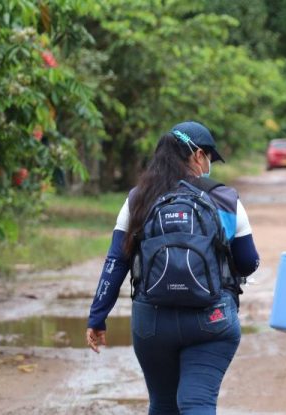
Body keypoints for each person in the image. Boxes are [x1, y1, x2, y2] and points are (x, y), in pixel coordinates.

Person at [85, 121, 260, 415]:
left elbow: (117, 261)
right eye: (209, 158)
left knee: (163, 404)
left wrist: (97, 316)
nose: (209, 165)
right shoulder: (225, 198)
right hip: (212, 319)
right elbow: (248, 262)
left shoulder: (137, 199)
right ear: (197, 155)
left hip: (152, 323)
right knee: (197, 403)